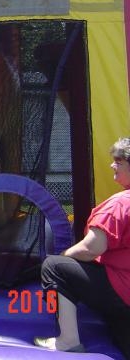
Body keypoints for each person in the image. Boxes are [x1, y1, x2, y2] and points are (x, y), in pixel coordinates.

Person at [34, 137, 130, 356]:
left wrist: (64, 255)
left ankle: (67, 341)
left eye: (118, 161)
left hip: (121, 290)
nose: (112, 165)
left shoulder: (120, 204)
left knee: (54, 266)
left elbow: (91, 249)